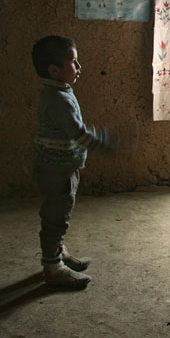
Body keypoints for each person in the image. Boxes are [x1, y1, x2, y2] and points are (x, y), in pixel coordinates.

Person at [32, 36, 119, 288]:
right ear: (54, 70)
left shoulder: (59, 90)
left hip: (59, 165)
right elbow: (78, 133)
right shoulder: (58, 99)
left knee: (59, 212)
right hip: (56, 170)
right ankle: (53, 266)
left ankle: (58, 252)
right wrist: (105, 142)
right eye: (73, 62)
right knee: (56, 216)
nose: (79, 67)